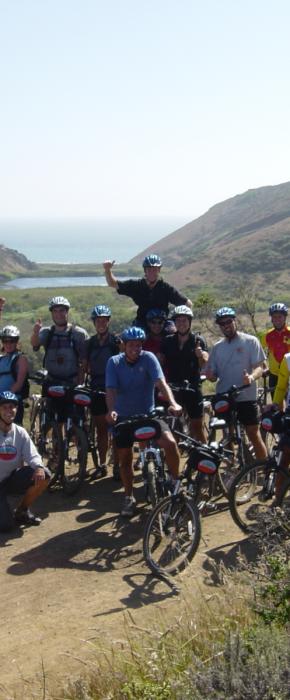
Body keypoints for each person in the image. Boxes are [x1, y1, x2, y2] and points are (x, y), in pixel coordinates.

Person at [105, 327, 182, 517]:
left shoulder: (149, 358)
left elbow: (161, 383)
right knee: (125, 459)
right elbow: (111, 390)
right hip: (124, 417)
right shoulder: (114, 362)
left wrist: (172, 403)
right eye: (131, 345)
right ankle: (129, 496)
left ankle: (176, 483)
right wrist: (112, 410)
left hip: (148, 414)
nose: (135, 349)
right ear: (124, 345)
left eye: (139, 345)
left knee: (171, 444)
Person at [206, 306, 268, 460]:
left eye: (228, 321)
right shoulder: (217, 347)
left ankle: (266, 469)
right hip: (225, 396)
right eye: (222, 323)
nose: (226, 325)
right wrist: (210, 376)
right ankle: (232, 467)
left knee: (253, 432)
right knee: (227, 432)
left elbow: (261, 367)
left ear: (235, 321)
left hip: (246, 395)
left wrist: (252, 378)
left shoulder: (250, 341)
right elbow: (213, 376)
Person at [0, 391, 50, 533]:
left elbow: (32, 454)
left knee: (44, 474)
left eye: (12, 407)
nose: (9, 411)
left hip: (11, 479)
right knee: (5, 526)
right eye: (4, 407)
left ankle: (22, 511)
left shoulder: (20, 432)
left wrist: (39, 467)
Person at [103, 254, 192, 328]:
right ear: (145, 271)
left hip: (162, 323)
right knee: (128, 340)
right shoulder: (137, 285)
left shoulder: (166, 288)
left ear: (159, 270)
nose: (152, 272)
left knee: (173, 336)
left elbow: (188, 304)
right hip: (142, 322)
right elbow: (112, 283)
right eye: (149, 269)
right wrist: (107, 270)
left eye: (155, 269)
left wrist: (179, 322)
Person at [161, 306, 208, 442]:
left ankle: (204, 456)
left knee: (197, 428)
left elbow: (204, 362)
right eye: (179, 320)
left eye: (185, 320)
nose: (182, 323)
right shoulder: (168, 341)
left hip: (192, 388)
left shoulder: (198, 340)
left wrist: (200, 356)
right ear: (174, 322)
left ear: (190, 322)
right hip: (173, 388)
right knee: (173, 428)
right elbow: (161, 361)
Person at [83, 304, 120, 479]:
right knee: (101, 429)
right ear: (94, 322)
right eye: (98, 320)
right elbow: (84, 366)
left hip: (114, 388)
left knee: (117, 428)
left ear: (108, 321)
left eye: (104, 320)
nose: (101, 323)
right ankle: (103, 463)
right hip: (96, 387)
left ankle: (118, 465)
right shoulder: (89, 343)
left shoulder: (116, 342)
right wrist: (80, 384)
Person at [30, 296, 89, 388]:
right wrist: (36, 332)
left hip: (72, 383)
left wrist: (80, 383)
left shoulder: (79, 334)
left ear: (67, 311)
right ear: (52, 313)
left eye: (62, 310)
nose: (58, 314)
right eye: (55, 311)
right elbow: (35, 344)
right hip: (50, 382)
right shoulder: (47, 332)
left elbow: (85, 361)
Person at [0, 325, 29, 425]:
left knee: (12, 434)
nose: (8, 344)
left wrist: (5, 397)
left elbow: (19, 383)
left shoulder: (21, 359)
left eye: (11, 341)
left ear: (16, 341)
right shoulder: (1, 359)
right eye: (5, 341)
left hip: (12, 401)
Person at [260, 303, 290, 395]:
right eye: (274, 317)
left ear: (285, 317)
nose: (277, 319)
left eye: (280, 317)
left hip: (289, 374)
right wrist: (265, 367)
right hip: (274, 374)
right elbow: (259, 352)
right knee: (276, 406)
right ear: (271, 319)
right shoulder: (267, 336)